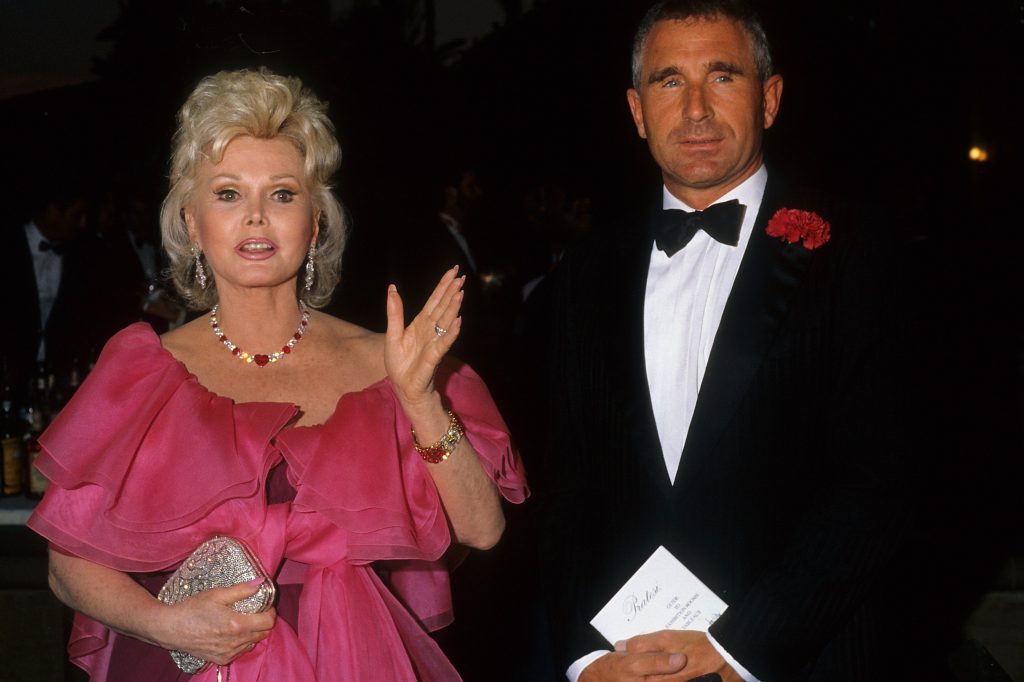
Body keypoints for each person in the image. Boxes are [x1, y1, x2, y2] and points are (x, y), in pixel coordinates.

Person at [28, 68, 528, 681]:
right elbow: (66, 566)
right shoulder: (144, 373)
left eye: (283, 194)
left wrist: (419, 398)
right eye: (228, 194)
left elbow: (483, 529)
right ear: (192, 222)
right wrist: (164, 625)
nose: (257, 217)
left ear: (315, 223)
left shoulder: (393, 361)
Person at [537, 2, 910, 680]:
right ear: (637, 110)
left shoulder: (860, 254)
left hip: (802, 661)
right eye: (669, 81)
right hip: (622, 665)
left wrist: (746, 646)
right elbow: (563, 487)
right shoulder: (581, 276)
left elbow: (883, 480)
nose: (696, 110)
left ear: (770, 98)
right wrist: (584, 654)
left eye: (722, 76)